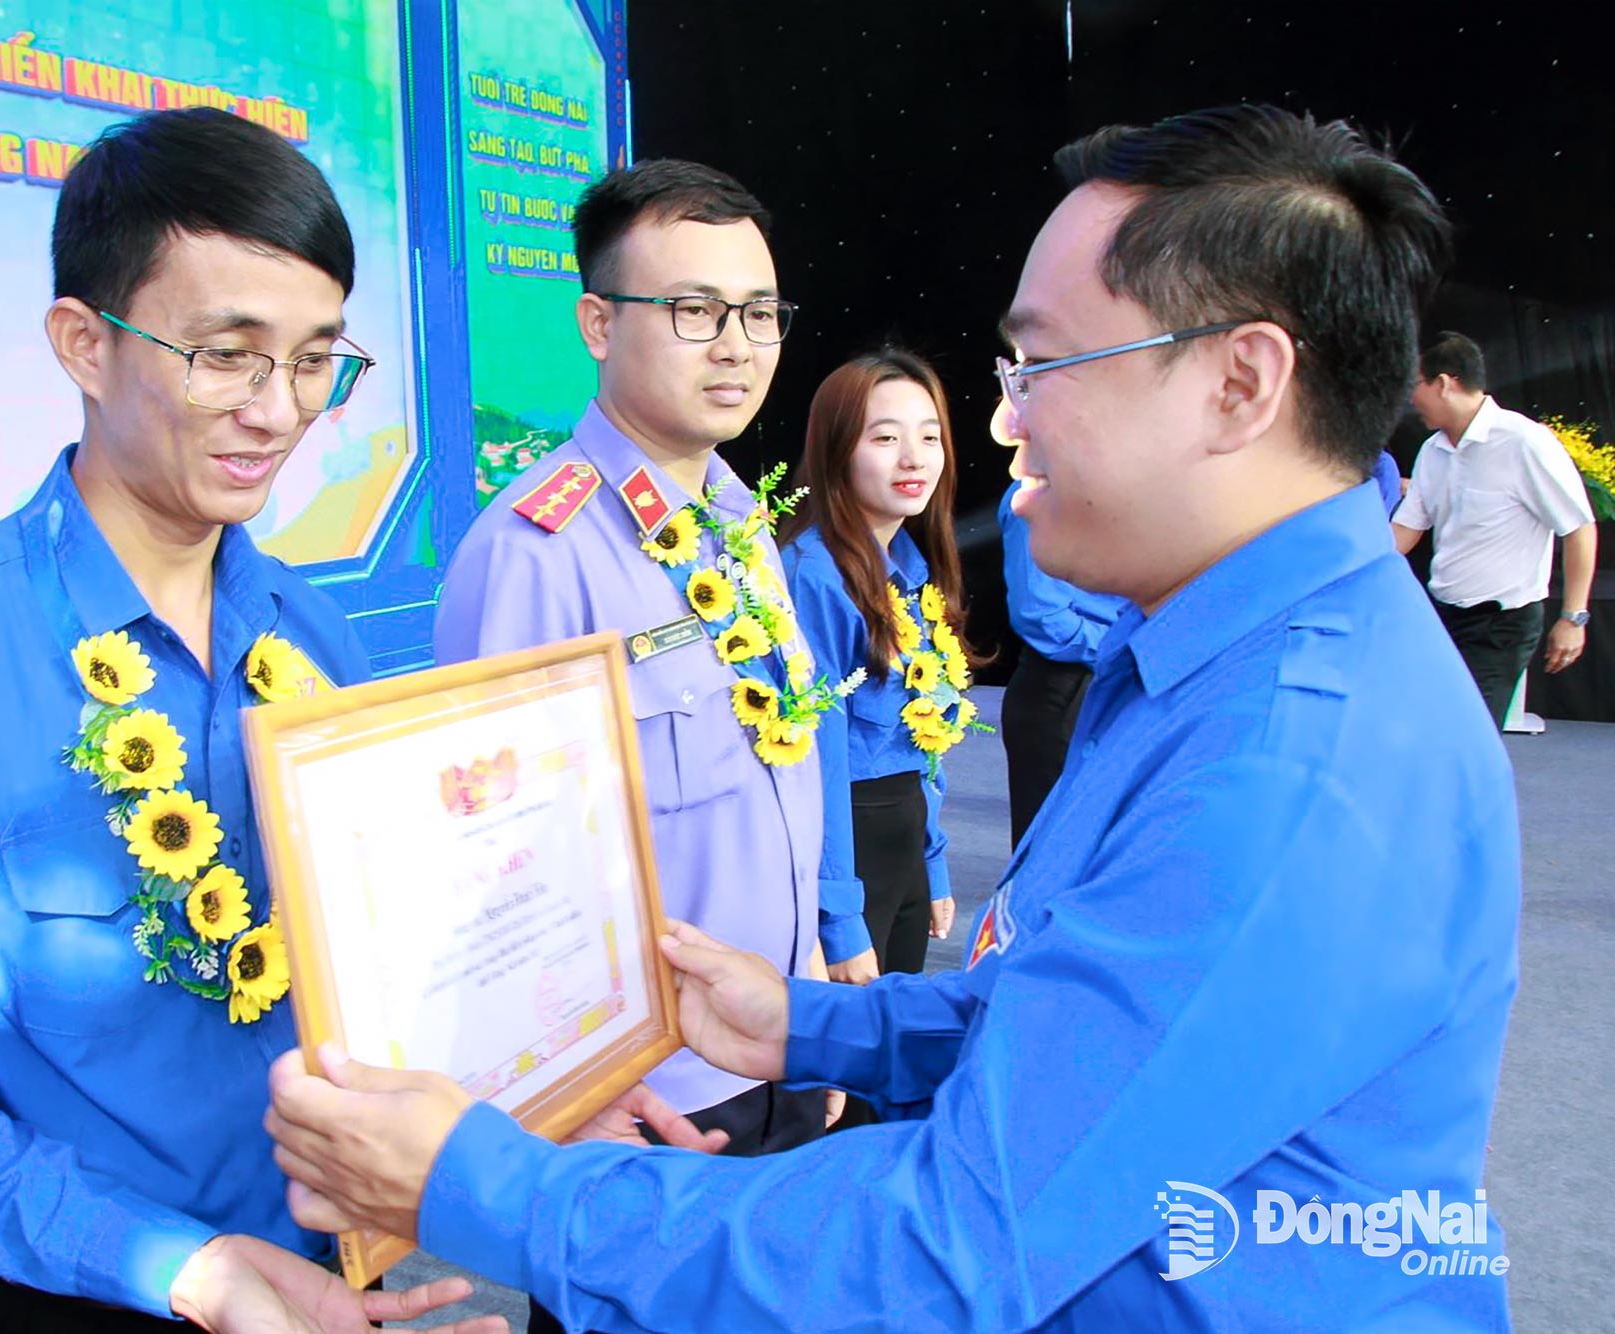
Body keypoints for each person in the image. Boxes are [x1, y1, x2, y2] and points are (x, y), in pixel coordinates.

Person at [266, 104, 1519, 1331]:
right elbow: (1068, 1023)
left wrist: (484, 1186)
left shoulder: (1287, 759)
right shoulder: (1231, 666)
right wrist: (812, 1023)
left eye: (1040, 366)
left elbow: (952, 1241)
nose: (1004, 420)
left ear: (1237, 382)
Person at [0, 108, 498, 1334]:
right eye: (226, 354)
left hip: (337, 1280)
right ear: (83, 342)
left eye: (314, 359)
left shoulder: (311, 636)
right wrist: (174, 1262)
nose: (278, 411)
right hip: (102, 1294)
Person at [430, 158, 836, 1332]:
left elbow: (775, 784)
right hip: (648, 1109)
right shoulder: (535, 551)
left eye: (758, 312)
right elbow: (487, 866)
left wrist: (814, 1008)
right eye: (694, 310)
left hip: (777, 1053)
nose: (736, 346)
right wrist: (565, 1100)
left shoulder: (739, 523)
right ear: (598, 325)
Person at [780, 348, 973, 1000]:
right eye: (886, 438)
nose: (913, 458)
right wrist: (838, 920)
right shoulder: (815, 576)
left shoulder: (912, 567)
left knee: (892, 1043)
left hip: (903, 841)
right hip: (850, 852)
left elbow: (922, 737)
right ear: (836, 450)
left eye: (929, 437)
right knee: (846, 1052)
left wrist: (932, 861)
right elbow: (819, 756)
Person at [1393, 331, 1597, 727]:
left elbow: (1578, 529)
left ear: (1444, 383)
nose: (1411, 399)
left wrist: (1573, 618)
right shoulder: (1433, 450)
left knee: (1468, 734)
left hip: (1499, 625)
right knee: (1426, 729)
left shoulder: (1523, 442)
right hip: (1442, 615)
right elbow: (1405, 529)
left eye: (1415, 385)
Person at [995, 475, 1126, 847]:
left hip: (1120, 680)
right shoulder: (1038, 490)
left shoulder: (1129, 483)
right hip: (1065, 686)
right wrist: (1125, 644)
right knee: (1054, 847)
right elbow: (1040, 614)